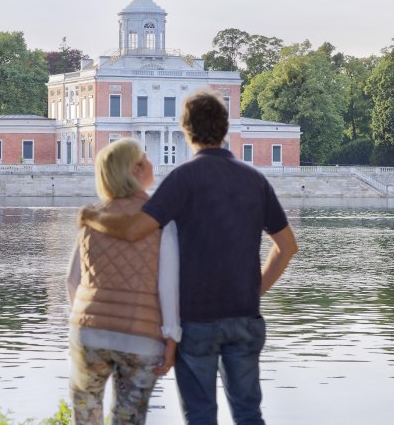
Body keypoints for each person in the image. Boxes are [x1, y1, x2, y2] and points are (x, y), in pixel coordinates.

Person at [78, 88, 298, 425]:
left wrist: (93, 217)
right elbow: (287, 248)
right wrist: (256, 290)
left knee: (200, 415)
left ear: (185, 129)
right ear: (224, 128)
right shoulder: (255, 180)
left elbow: (136, 229)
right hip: (245, 315)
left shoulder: (182, 178)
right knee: (249, 413)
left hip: (197, 320)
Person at [67, 137, 181, 424]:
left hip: (89, 332)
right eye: (146, 158)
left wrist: (83, 316)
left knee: (85, 412)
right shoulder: (160, 220)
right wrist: (172, 337)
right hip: (140, 337)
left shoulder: (92, 218)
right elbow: (168, 286)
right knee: (128, 418)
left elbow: (72, 280)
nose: (153, 163)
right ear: (136, 170)